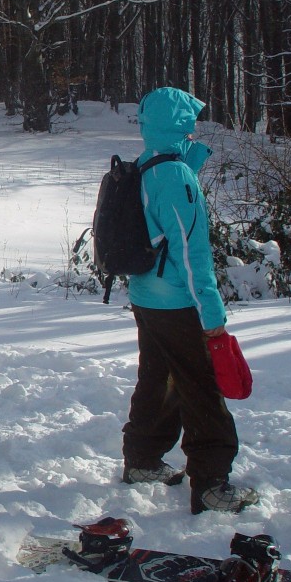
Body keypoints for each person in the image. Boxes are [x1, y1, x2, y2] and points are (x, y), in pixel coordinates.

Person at [121, 86, 258, 514]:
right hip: (177, 302)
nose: (195, 127)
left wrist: (188, 164)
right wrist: (211, 313)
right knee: (201, 387)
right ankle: (212, 483)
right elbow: (188, 250)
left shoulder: (149, 164)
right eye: (189, 122)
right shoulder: (174, 175)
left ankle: (142, 458)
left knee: (159, 377)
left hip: (147, 296)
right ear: (179, 124)